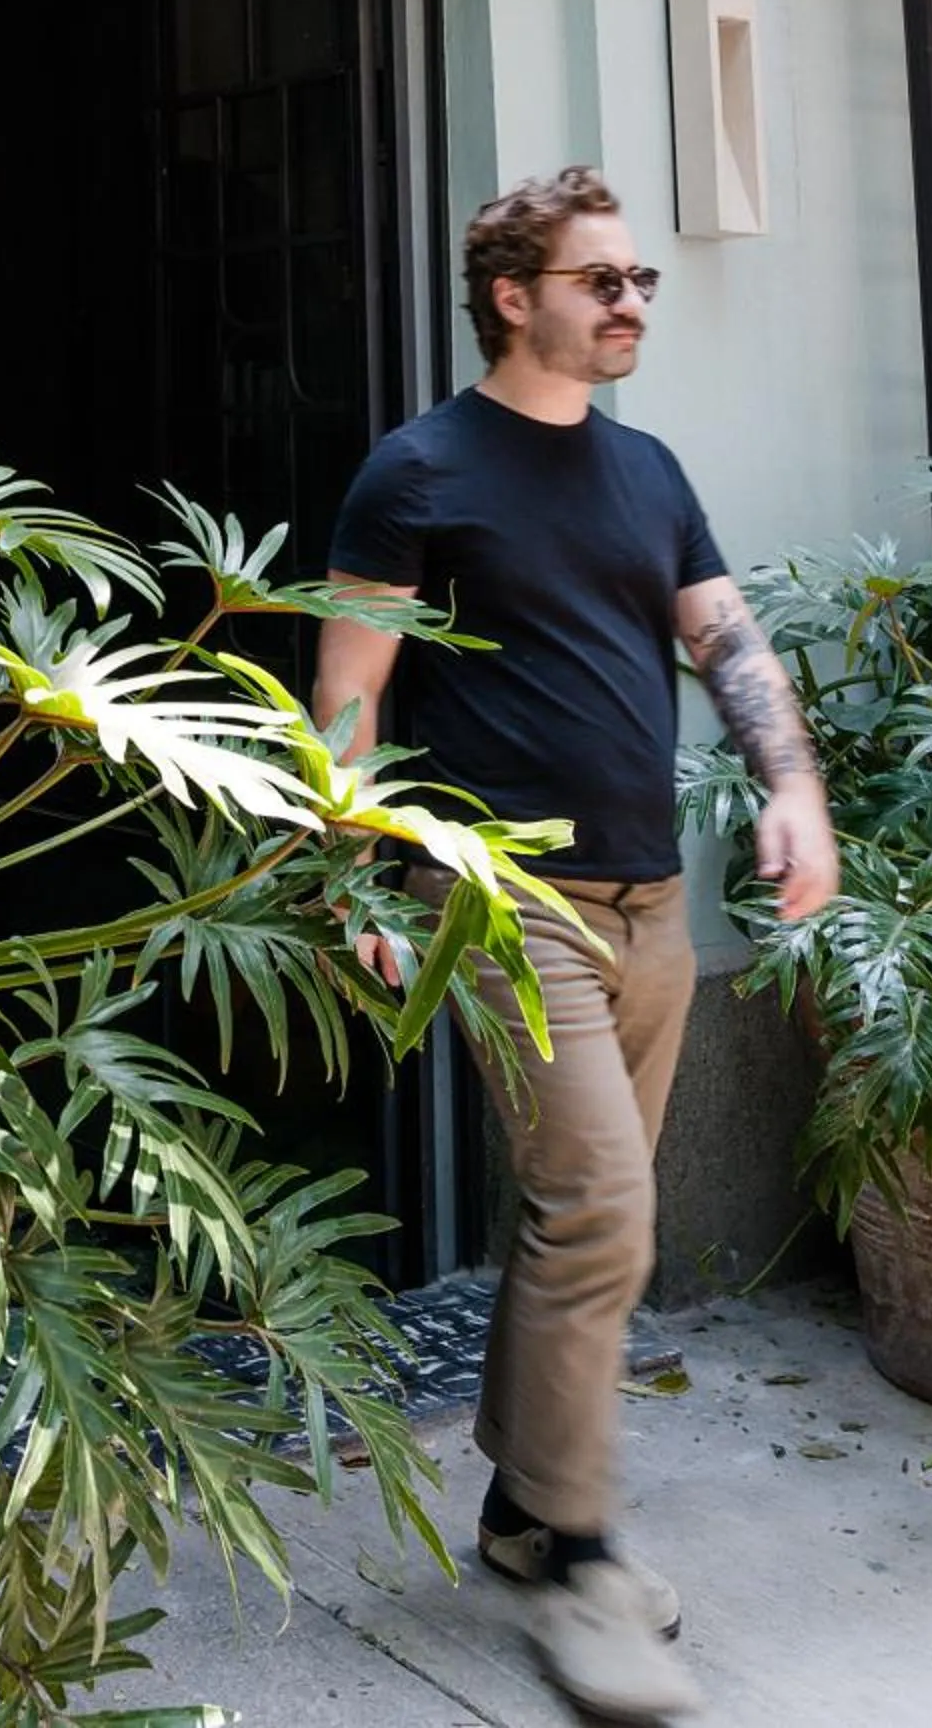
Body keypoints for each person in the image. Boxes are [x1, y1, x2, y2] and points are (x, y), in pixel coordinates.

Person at [314, 166, 838, 1727]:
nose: (628, 303)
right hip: (501, 904)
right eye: (599, 279)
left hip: (647, 905)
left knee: (577, 1224)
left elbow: (724, 644)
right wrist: (346, 882)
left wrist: (792, 789)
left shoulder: (649, 469)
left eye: (640, 284)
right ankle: (586, 1560)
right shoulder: (415, 472)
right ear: (512, 294)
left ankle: (513, 1511)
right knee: (604, 1209)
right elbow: (346, 694)